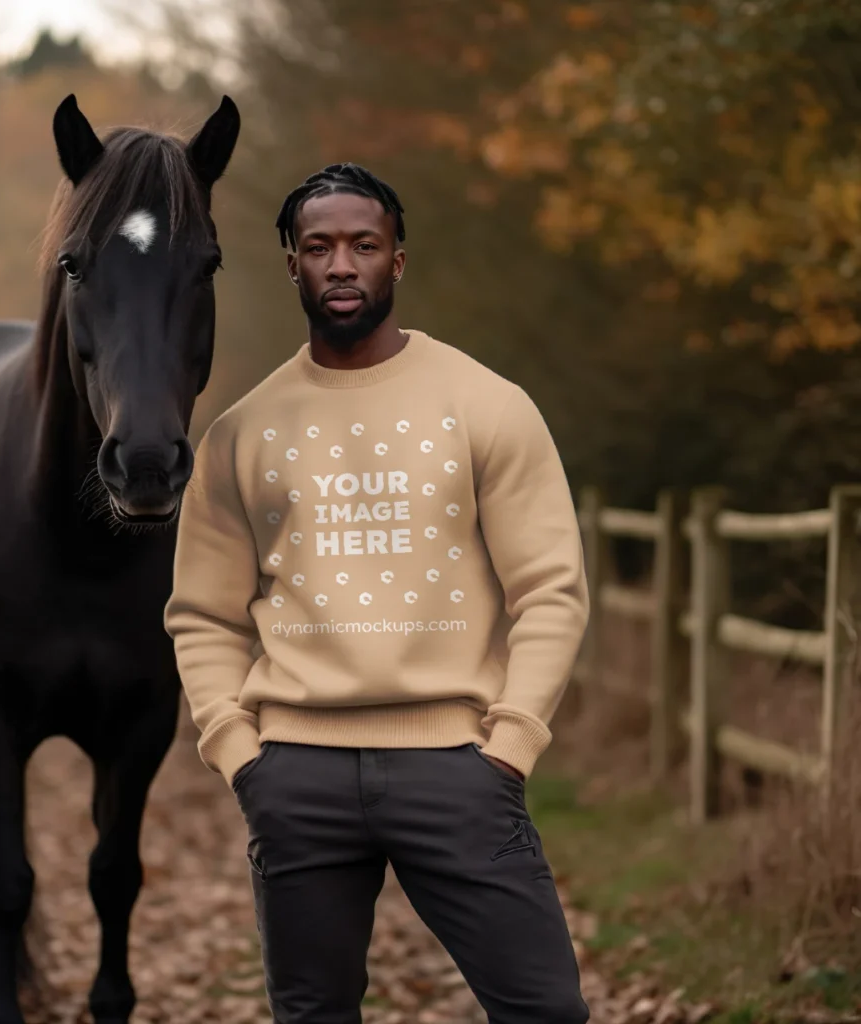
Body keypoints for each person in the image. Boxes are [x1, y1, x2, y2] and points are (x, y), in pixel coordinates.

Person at [164, 162, 591, 1024]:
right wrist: (240, 753)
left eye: (365, 245)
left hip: (460, 769)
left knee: (547, 1012)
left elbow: (550, 589)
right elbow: (202, 615)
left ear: (399, 260)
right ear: (291, 263)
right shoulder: (241, 433)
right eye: (319, 248)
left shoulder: (488, 406)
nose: (343, 265)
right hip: (296, 777)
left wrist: (511, 745)